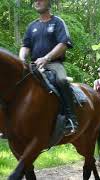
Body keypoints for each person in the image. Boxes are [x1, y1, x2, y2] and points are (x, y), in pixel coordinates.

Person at [19, 0, 78, 135]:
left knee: (62, 81)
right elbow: (25, 46)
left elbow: (63, 44)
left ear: (49, 2)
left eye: (40, 0)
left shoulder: (57, 22)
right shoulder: (32, 26)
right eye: (35, 1)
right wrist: (22, 59)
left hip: (54, 64)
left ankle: (71, 119)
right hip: (33, 65)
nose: (37, 2)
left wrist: (47, 58)